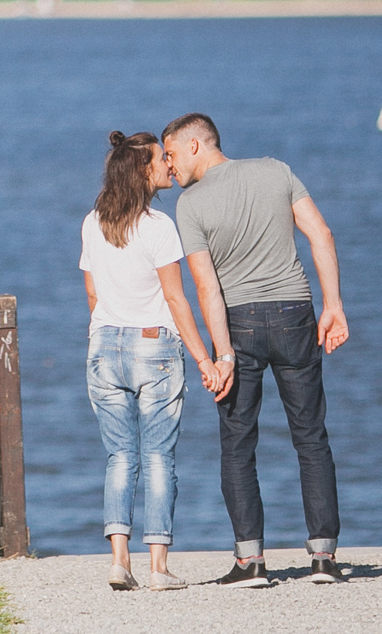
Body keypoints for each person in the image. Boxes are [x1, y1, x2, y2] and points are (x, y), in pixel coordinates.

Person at [162, 112, 349, 587]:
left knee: (238, 443)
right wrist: (334, 306)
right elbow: (321, 234)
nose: (168, 165)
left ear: (196, 145)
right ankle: (323, 558)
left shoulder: (190, 204)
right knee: (311, 436)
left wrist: (223, 354)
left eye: (171, 153)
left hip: (239, 323)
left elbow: (207, 287)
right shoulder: (276, 170)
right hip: (295, 314)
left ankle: (250, 561)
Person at [78, 130, 222, 592]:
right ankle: (158, 567)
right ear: (143, 171)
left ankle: (119, 561)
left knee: (120, 456)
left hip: (104, 345)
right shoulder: (159, 226)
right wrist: (205, 358)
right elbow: (176, 300)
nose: (168, 164)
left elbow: (93, 294)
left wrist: (106, 333)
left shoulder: (93, 223)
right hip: (153, 346)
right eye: (161, 159)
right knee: (158, 457)